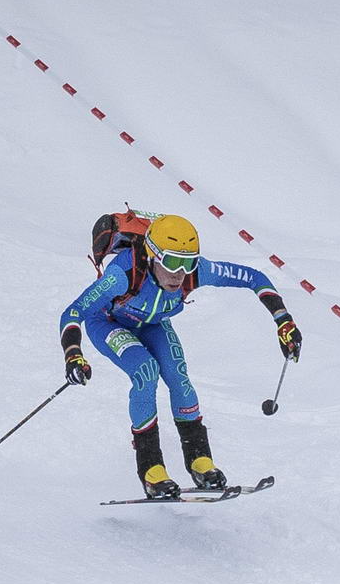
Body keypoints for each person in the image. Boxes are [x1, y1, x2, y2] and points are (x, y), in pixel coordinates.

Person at [59, 212, 302, 498]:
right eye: (171, 262)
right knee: (146, 371)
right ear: (152, 256)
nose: (179, 273)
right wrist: (73, 353)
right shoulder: (121, 275)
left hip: (152, 323)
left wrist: (283, 320)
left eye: (188, 263)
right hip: (108, 323)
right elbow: (73, 312)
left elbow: (254, 277)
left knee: (179, 377)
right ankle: (152, 471)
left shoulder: (196, 271)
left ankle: (200, 461)